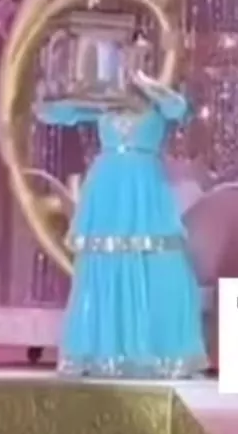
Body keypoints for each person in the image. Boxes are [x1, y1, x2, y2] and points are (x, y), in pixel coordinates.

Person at [36, 50, 207, 379]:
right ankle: (105, 352)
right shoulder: (104, 100)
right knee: (105, 260)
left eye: (142, 58)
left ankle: (161, 352)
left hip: (144, 184)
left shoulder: (160, 101)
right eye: (129, 58)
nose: (132, 65)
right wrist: (54, 84)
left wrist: (149, 84)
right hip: (108, 183)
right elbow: (53, 114)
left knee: (161, 261)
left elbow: (180, 110)